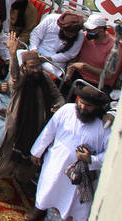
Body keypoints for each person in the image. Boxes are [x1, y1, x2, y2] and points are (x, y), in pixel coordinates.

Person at [0, 33, 64, 199]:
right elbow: (13, 76)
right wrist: (13, 54)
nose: (35, 70)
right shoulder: (19, 81)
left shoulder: (44, 78)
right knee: (9, 156)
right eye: (32, 67)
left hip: (40, 127)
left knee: (32, 157)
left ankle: (22, 178)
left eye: (38, 67)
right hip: (18, 126)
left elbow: (58, 96)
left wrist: (59, 105)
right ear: (24, 67)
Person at [29, 87, 112, 221]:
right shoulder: (67, 109)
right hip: (56, 161)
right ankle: (38, 210)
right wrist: (37, 151)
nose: (83, 107)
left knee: (68, 199)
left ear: (96, 107)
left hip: (78, 174)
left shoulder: (103, 127)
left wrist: (91, 159)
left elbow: (108, 154)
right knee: (48, 188)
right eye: (81, 102)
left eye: (88, 106)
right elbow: (50, 129)